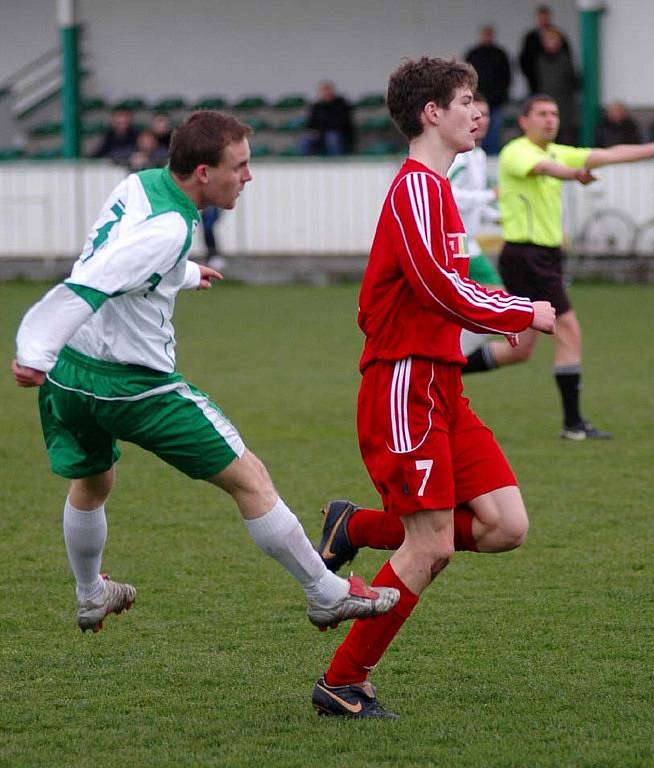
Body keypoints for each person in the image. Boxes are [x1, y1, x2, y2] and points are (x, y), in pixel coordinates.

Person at [12, 110, 399, 640]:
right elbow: (97, 279)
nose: (248, 176)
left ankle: (89, 594)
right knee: (249, 477)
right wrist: (35, 345)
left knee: (93, 480)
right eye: (238, 166)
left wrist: (185, 273)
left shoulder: (141, 185)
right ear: (201, 172)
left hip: (70, 378)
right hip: (132, 384)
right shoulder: (172, 228)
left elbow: (119, 251)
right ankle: (326, 593)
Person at [309, 57, 556, 719]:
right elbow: (437, 288)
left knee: (506, 527)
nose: (478, 111)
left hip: (441, 384)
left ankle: (354, 524)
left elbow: (452, 281)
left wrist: (505, 304)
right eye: (466, 100)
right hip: (403, 381)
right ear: (431, 113)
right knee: (432, 545)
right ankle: (342, 682)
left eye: (477, 99)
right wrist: (518, 311)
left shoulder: (438, 192)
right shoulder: (417, 188)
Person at [475, 95, 654, 440]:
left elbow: (608, 155)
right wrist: (574, 174)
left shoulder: (555, 150)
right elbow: (548, 170)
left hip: (543, 257)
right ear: (524, 121)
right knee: (569, 330)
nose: (550, 119)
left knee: (519, 350)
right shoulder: (517, 151)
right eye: (542, 114)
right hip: (527, 256)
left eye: (554, 113)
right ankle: (573, 425)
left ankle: (444, 369)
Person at [446, 92, 508, 370]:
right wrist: (486, 196)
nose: (479, 120)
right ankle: (449, 358)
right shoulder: (460, 157)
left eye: (484, 115)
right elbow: (447, 193)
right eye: (474, 113)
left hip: (468, 245)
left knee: (490, 306)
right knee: (495, 304)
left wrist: (501, 216)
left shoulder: (479, 154)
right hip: (454, 245)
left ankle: (448, 358)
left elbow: (474, 202)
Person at [464, 25, 511, 155]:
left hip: (496, 101)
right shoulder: (474, 54)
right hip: (477, 99)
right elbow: (467, 76)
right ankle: (474, 152)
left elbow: (507, 77)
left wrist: (501, 95)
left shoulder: (500, 54)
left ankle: (491, 155)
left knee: (493, 131)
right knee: (475, 129)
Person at [532, 26, 579, 145]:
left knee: (565, 138)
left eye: (554, 41)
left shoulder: (565, 60)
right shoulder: (540, 61)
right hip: (545, 103)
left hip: (564, 107)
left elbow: (572, 82)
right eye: (548, 41)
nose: (550, 44)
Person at [519, 5, 573, 96]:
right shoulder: (530, 38)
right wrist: (531, 77)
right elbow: (524, 59)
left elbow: (568, 60)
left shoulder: (559, 35)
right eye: (541, 18)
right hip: (535, 83)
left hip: (559, 87)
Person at [299, 81, 354, 156]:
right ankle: (306, 164)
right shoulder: (316, 106)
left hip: (339, 133)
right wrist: (313, 131)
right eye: (323, 91)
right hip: (321, 133)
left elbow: (342, 122)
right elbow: (311, 123)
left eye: (327, 90)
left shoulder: (342, 104)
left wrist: (322, 130)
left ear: (332, 91)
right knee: (306, 138)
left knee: (332, 137)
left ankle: (337, 163)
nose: (325, 93)